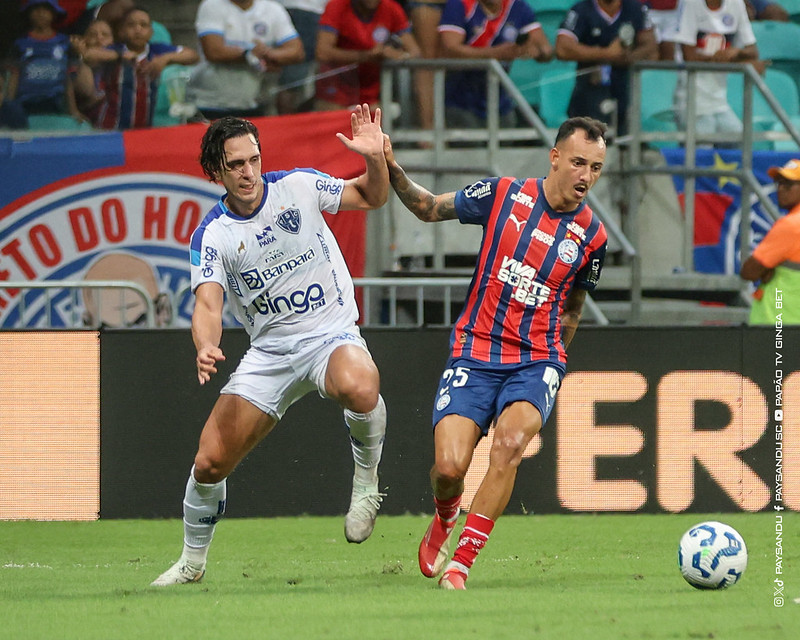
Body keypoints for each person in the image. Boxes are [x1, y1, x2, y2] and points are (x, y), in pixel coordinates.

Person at [151, 104, 390, 586]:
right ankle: (192, 564)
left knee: (359, 385)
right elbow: (208, 306)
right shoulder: (212, 235)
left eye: (253, 159)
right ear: (215, 171)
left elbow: (371, 196)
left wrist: (375, 159)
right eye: (236, 164)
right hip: (270, 354)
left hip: (330, 335)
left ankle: (366, 483)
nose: (248, 172)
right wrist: (205, 345)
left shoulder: (298, 186)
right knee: (209, 461)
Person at [383, 116, 609, 590]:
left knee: (509, 446)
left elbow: (574, 307)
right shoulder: (504, 194)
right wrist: (390, 166)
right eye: (578, 163)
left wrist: (554, 362)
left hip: (536, 359)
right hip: (475, 352)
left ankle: (461, 564)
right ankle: (446, 513)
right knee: (448, 468)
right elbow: (427, 208)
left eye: (596, 167)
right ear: (555, 157)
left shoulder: (593, 237)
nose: (586, 176)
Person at [437, 0, 553, 128]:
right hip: (460, 100)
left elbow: (545, 50)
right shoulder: (460, 4)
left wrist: (536, 50)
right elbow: (449, 50)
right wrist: (495, 53)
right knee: (470, 144)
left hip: (500, 101)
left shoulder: (516, 6)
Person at [187, 0, 305, 120]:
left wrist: (267, 53)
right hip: (210, 103)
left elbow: (296, 52)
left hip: (256, 103)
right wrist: (249, 54)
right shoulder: (212, 5)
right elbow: (214, 51)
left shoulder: (273, 9)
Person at [556, 0, 657, 137]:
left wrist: (627, 57)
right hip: (588, 93)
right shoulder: (581, 10)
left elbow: (651, 49)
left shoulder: (636, 9)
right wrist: (606, 54)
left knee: (627, 140)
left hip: (625, 91)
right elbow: (562, 48)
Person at [91, 7, 199, 129]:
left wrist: (165, 59)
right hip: (110, 128)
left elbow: (193, 55)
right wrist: (119, 56)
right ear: (121, 31)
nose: (138, 29)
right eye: (131, 25)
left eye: (143, 25)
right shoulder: (116, 50)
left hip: (142, 130)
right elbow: (90, 55)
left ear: (151, 32)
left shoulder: (156, 51)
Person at [669, 0, 759, 142]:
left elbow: (753, 51)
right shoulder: (690, 4)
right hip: (691, 102)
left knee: (741, 141)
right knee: (703, 146)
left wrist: (736, 52)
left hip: (719, 103)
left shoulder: (736, 4)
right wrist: (718, 57)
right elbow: (689, 57)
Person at [314, 0, 419, 111]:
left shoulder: (391, 8)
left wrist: (396, 55)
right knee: (334, 121)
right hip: (336, 89)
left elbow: (414, 52)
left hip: (372, 93)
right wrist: (366, 56)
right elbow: (322, 52)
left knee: (376, 118)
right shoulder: (337, 6)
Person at [0, 0, 84, 130]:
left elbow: (67, 79)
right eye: (36, 9)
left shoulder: (64, 42)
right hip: (25, 103)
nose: (40, 13)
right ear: (28, 13)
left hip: (55, 103)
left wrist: (73, 110)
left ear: (54, 14)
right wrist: (9, 106)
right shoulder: (20, 43)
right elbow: (13, 76)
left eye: (46, 9)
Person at [740, 159, 800, 325]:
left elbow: (749, 271)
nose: (781, 188)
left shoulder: (791, 225)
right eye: (778, 183)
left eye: (788, 184)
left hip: (780, 324)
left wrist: (768, 270)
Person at [274, 0, 328, 114]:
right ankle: (288, 125)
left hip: (304, 9)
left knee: (294, 82)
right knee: (292, 83)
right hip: (306, 10)